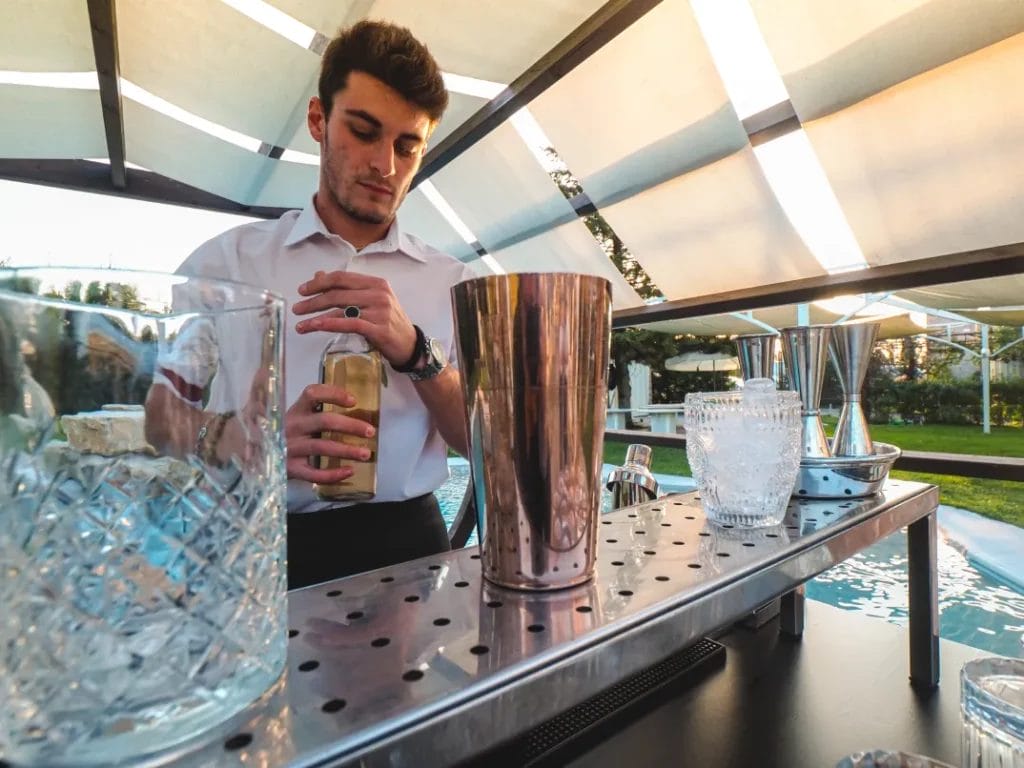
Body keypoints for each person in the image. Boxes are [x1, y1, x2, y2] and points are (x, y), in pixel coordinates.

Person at [144, 20, 476, 589]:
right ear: (318, 120)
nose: (385, 166)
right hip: (252, 538)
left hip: (409, 549)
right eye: (364, 131)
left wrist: (417, 351)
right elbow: (159, 415)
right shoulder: (226, 264)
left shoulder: (453, 282)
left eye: (406, 145)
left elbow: (480, 440)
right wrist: (237, 438)